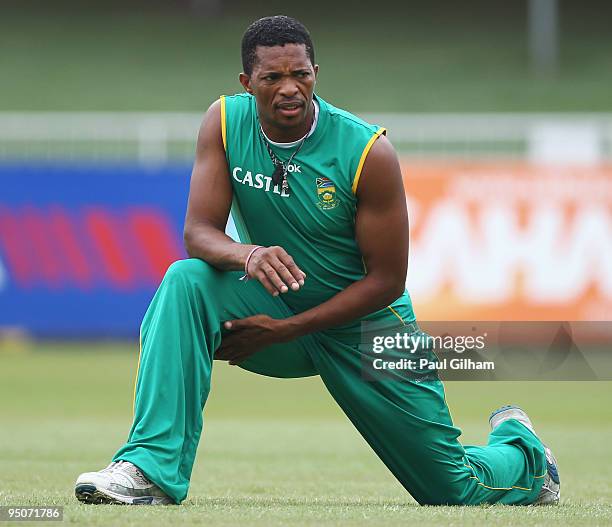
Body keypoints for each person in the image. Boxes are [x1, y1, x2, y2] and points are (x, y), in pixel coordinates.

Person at [74, 15, 560, 507]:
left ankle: (525, 452)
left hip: (367, 331)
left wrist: (287, 330)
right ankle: (147, 468)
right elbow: (198, 234)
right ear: (247, 83)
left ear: (315, 73)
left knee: (454, 491)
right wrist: (249, 253)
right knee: (186, 281)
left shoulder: (368, 151)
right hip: (273, 309)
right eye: (272, 78)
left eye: (300, 75)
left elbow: (389, 281)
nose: (290, 89)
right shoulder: (224, 121)